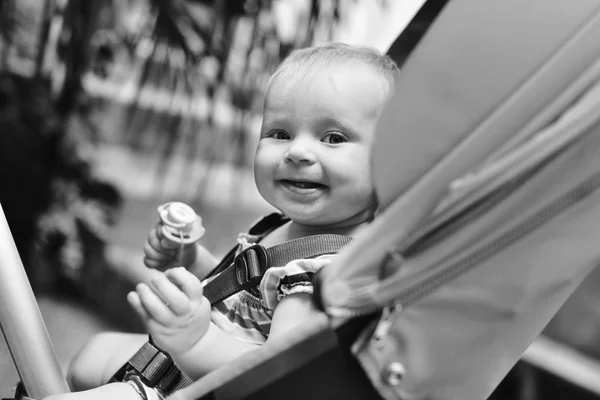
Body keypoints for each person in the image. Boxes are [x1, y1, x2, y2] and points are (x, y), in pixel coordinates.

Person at [45, 42, 399, 400]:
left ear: (389, 159)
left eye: (333, 138)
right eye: (280, 133)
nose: (297, 151)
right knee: (91, 356)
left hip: (207, 388)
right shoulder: (281, 224)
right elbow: (250, 303)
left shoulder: (322, 271)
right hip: (187, 365)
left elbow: (277, 376)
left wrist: (198, 340)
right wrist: (193, 262)